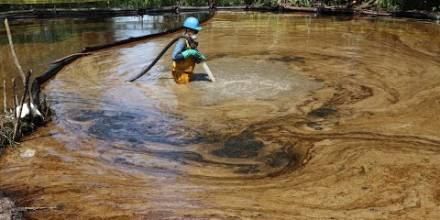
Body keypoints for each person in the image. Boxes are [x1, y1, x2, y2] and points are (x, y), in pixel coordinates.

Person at [171, 17, 207, 84]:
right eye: (195, 31)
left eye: (197, 31)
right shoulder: (182, 40)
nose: (196, 33)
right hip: (180, 74)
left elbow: (193, 55)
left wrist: (199, 57)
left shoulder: (191, 41)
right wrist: (189, 52)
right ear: (187, 29)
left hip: (187, 72)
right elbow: (174, 56)